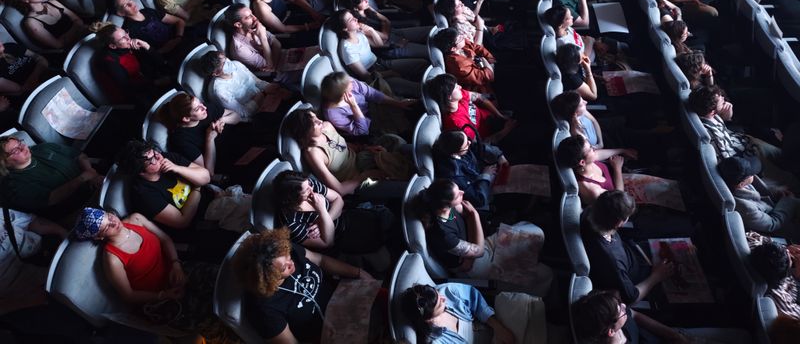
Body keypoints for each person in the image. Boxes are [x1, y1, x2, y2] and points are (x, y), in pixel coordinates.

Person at [70, 207, 226, 340]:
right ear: (100, 237)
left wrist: (175, 264)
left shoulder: (136, 219)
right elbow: (128, 295)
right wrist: (165, 295)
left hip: (175, 271)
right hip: (158, 299)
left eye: (109, 217)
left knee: (221, 278)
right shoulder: (113, 259)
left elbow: (165, 239)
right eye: (107, 227)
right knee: (211, 318)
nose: (114, 222)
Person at [233, 228, 374, 343]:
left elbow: (320, 260)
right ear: (267, 278)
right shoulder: (265, 310)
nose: (292, 263)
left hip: (341, 297)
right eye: (284, 268)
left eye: (289, 257)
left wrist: (358, 273)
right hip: (327, 332)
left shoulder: (283, 253)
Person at [413, 178, 551, 292]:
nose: (462, 192)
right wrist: (474, 215)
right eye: (457, 195)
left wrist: (472, 225)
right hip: (476, 266)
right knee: (545, 274)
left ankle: (526, 261)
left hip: (479, 245)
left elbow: (475, 246)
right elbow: (477, 252)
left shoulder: (451, 207)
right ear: (445, 205)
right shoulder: (443, 234)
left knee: (536, 232)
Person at [686, 86, 799, 191]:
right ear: (712, 112)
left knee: (782, 156)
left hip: (743, 142)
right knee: (787, 179)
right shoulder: (712, 135)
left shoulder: (707, 114)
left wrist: (727, 116)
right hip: (746, 156)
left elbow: (725, 123)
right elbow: (729, 160)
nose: (724, 99)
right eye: (722, 101)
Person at [284, 107, 411, 197]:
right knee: (404, 187)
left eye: (316, 117)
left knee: (401, 147)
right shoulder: (314, 154)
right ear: (304, 132)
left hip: (362, 158)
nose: (320, 121)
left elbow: (344, 146)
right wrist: (366, 175)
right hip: (357, 183)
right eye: (314, 123)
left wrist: (366, 148)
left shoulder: (327, 126)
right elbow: (340, 189)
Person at [581, 190, 675, 304]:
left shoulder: (588, 213)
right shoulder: (614, 261)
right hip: (642, 275)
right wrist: (656, 276)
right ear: (619, 223)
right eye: (627, 217)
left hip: (632, 251)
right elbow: (632, 298)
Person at [115, 140, 212, 230]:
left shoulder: (166, 158)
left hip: (211, 197)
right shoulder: (144, 194)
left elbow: (206, 177)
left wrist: (178, 168)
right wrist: (196, 188)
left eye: (154, 152)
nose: (158, 157)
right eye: (151, 160)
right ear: (141, 172)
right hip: (200, 222)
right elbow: (183, 221)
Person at [0, 135, 103, 216]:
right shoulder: (14, 185)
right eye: (15, 150)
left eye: (20, 143)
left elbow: (79, 155)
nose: (23, 147)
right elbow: (52, 198)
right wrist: (83, 178)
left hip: (93, 185)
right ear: (5, 163)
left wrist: (91, 173)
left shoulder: (44, 148)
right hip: (77, 210)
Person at [332, 9, 426, 97]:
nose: (356, 19)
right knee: (416, 88)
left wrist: (371, 31)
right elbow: (365, 76)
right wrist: (390, 73)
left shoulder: (358, 33)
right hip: (376, 77)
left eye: (353, 16)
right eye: (351, 19)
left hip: (380, 63)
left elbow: (379, 44)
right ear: (344, 28)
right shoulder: (348, 49)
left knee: (422, 64)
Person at [401, 282, 517, 344]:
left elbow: (474, 299)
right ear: (428, 319)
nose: (444, 299)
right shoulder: (437, 341)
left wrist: (498, 327)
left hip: (494, 322)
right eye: (440, 304)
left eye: (438, 294)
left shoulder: (447, 291)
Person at [717, 155, 800, 241]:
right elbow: (772, 224)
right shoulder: (746, 209)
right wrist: (788, 201)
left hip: (775, 207)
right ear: (741, 184)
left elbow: (760, 190)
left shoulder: (732, 180)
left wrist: (775, 192)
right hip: (782, 226)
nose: (754, 174)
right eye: (751, 174)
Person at [0, 208, 66, 314]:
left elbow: (32, 222)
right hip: (28, 292)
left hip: (47, 254)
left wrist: (63, 234)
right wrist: (25, 302)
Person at [158, 92, 240, 176]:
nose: (204, 107)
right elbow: (208, 172)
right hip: (230, 159)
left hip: (239, 137)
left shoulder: (206, 109)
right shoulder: (181, 140)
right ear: (186, 118)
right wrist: (209, 138)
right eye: (197, 109)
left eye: (200, 103)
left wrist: (222, 120)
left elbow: (237, 116)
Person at [92, 23, 169, 108]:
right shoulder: (110, 62)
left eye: (126, 33)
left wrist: (146, 46)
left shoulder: (127, 46)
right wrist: (156, 83)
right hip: (134, 98)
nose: (128, 38)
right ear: (113, 46)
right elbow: (128, 88)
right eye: (123, 38)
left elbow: (160, 62)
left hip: (146, 81)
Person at [201, 50, 288, 124]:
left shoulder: (236, 65)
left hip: (265, 96)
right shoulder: (220, 91)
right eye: (224, 64)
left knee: (289, 92)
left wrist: (269, 87)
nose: (229, 63)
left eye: (226, 59)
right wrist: (260, 96)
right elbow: (243, 113)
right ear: (215, 73)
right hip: (256, 115)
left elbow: (256, 81)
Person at [320, 71, 415, 138]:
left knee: (402, 104)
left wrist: (397, 103)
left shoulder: (348, 81)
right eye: (350, 85)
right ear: (343, 94)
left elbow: (371, 93)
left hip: (371, 104)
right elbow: (362, 131)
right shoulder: (333, 114)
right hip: (369, 121)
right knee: (401, 118)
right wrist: (354, 106)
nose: (353, 82)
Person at [425, 74, 517, 143]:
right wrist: (506, 130)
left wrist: (499, 115)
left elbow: (479, 97)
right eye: (456, 87)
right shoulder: (457, 124)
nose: (460, 87)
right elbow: (483, 143)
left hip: (495, 116)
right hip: (496, 133)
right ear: (449, 97)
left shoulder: (459, 97)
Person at [432, 129, 508, 208]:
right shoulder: (455, 175)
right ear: (454, 153)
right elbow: (479, 199)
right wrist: (486, 176)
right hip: (484, 189)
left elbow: (477, 147)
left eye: (467, 139)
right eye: (466, 145)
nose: (469, 143)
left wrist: (499, 155)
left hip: (483, 171)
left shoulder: (457, 143)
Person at [556, 134, 638, 206]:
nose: (594, 148)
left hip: (620, 175)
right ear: (582, 162)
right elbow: (619, 199)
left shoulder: (588, 161)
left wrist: (623, 150)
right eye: (590, 148)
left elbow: (599, 154)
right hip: (623, 196)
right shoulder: (591, 189)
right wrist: (617, 169)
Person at [11, 0, 87, 51]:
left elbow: (79, 21)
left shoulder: (53, 2)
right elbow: (58, 44)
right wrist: (76, 27)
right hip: (72, 49)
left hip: (84, 34)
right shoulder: (31, 22)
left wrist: (76, 28)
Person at [113, 0, 186, 57]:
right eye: (126, 5)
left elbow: (179, 21)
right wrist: (165, 49)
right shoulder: (129, 32)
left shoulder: (148, 11)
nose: (131, 4)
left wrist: (178, 37)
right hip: (170, 55)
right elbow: (148, 55)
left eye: (129, 0)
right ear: (120, 13)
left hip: (181, 39)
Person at [747, 233, 800, 320]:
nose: (788, 251)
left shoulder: (754, 247)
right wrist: (798, 277)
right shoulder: (780, 297)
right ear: (784, 275)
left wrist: (783, 248)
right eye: (789, 258)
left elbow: (751, 235)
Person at [430, 27, 496, 94]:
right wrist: (486, 61)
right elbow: (487, 77)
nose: (463, 37)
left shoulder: (462, 44)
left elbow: (477, 48)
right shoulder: (458, 65)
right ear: (453, 48)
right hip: (482, 87)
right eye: (460, 38)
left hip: (487, 68)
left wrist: (491, 60)